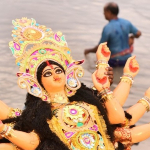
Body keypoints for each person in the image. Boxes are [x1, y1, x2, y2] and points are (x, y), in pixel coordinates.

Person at [0, 18, 149, 150]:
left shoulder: (87, 101)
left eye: (58, 70)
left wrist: (119, 77)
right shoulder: (38, 115)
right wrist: (5, 130)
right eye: (47, 74)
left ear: (67, 73)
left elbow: (119, 118)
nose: (55, 74)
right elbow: (33, 142)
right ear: (38, 84)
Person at [84, 2, 141, 67]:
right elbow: (138, 33)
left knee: (97, 66)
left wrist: (88, 51)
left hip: (114, 61)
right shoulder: (127, 23)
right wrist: (132, 37)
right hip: (127, 59)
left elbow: (100, 48)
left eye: (104, 12)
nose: (103, 14)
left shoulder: (108, 28)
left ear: (109, 12)